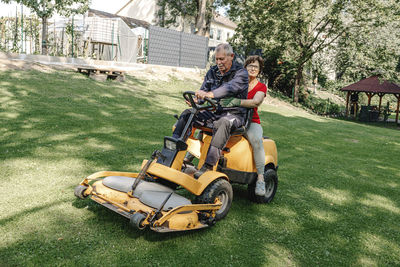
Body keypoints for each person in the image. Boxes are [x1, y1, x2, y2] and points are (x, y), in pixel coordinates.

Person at [172, 43, 249, 179]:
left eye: (222, 59)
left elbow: (229, 88)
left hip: (233, 114)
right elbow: (204, 92)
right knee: (187, 114)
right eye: (217, 59)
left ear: (231, 56)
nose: (219, 62)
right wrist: (197, 101)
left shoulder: (241, 74)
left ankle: (208, 166)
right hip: (213, 112)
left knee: (223, 122)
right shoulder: (212, 72)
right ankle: (172, 152)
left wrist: (211, 94)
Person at [221, 55, 267, 196]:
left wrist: (235, 101)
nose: (253, 68)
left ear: (259, 70)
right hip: (234, 116)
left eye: (256, 67)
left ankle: (260, 179)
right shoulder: (238, 81)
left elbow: (255, 102)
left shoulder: (261, 86)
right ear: (245, 67)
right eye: (250, 66)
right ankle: (190, 157)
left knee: (257, 141)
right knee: (210, 129)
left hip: (251, 121)